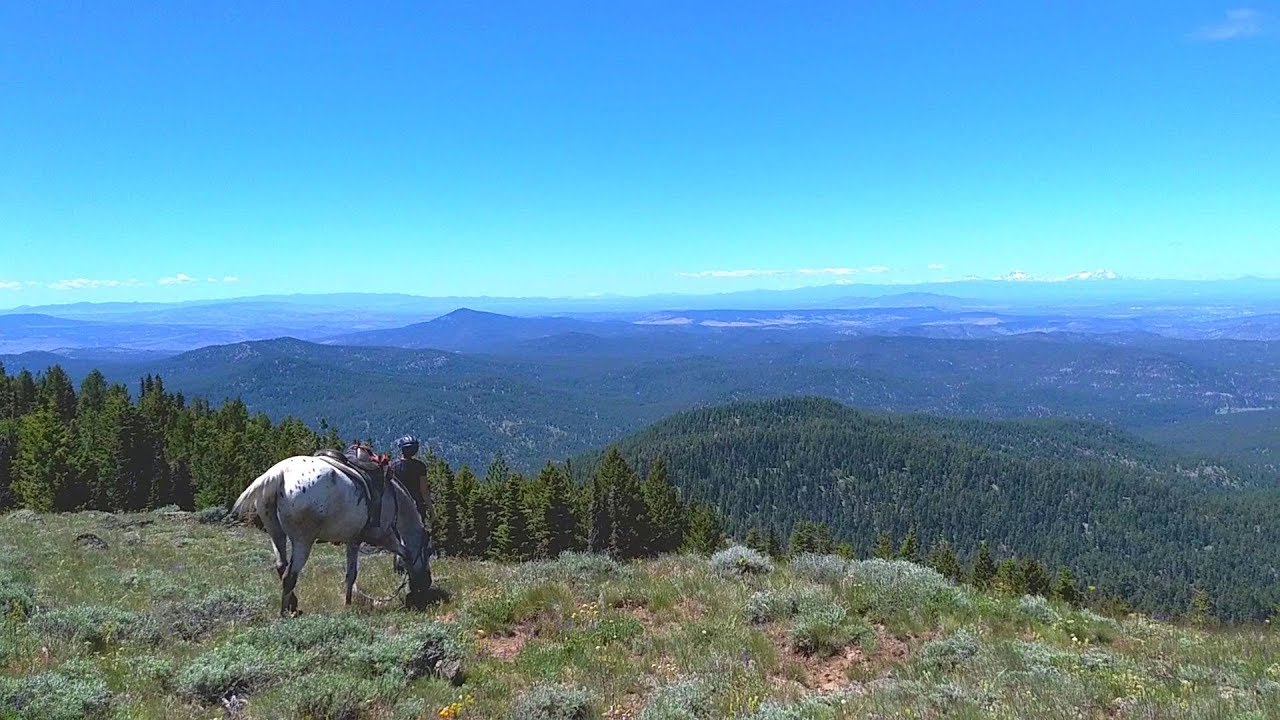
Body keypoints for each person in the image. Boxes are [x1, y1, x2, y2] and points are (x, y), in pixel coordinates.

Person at [390, 434, 430, 519]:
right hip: (416, 505)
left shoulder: (393, 466)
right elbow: (424, 491)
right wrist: (431, 508)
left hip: (396, 505)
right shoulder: (420, 466)